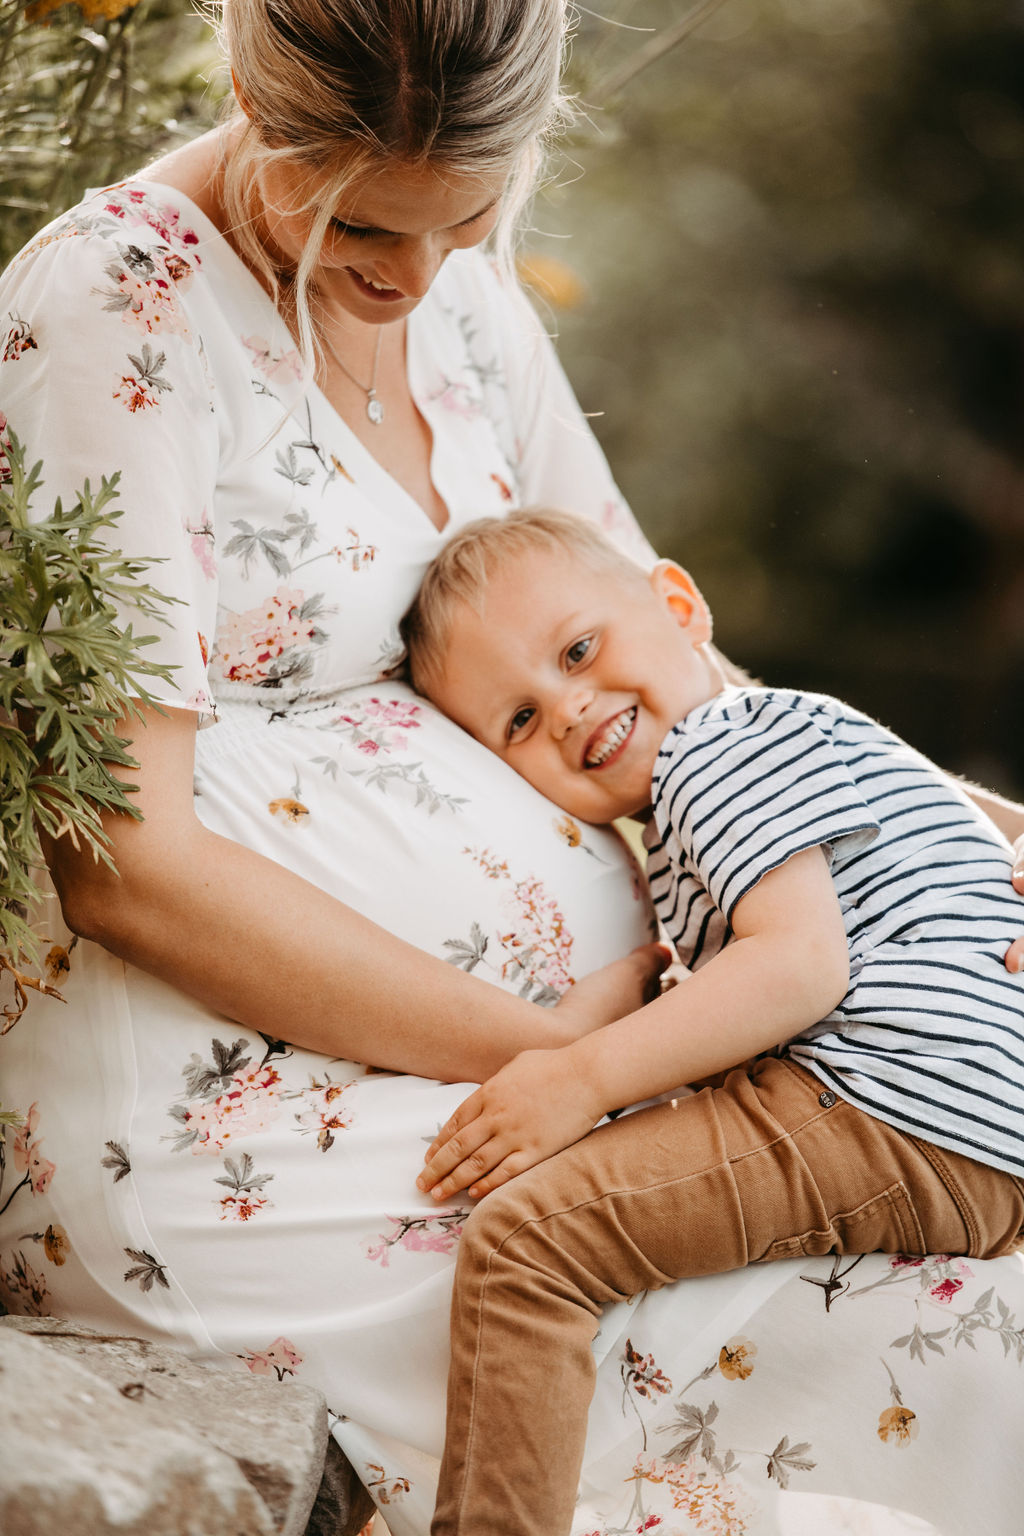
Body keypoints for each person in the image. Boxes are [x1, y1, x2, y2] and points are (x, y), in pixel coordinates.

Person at [2, 3, 1024, 1532]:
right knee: (941, 1331)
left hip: (612, 1049)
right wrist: (572, 1067)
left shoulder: (466, 305)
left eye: (464, 218)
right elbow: (122, 858)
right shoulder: (112, 310)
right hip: (259, 1111)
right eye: (356, 220)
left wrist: (956, 830)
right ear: (244, 88)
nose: (410, 275)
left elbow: (664, 652)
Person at [400, 508, 1024, 1535]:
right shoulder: (783, 729)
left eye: (579, 649)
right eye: (516, 719)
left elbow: (799, 967)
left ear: (679, 606)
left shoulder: (713, 748)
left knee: (527, 1248)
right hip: (971, 1113)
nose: (565, 707)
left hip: (898, 1094)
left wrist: (583, 1076)